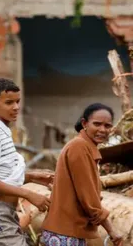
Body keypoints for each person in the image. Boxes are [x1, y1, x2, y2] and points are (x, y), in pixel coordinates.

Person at [0, 78, 55, 246]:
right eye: (9, 102)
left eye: (17, 101)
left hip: (4, 213)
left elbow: (4, 177)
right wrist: (29, 194)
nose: (16, 107)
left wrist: (32, 177)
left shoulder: (3, 131)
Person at [41, 103, 125, 246]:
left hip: (67, 231)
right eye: (97, 124)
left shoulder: (83, 147)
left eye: (107, 126)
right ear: (84, 123)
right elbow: (88, 197)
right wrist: (111, 230)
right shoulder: (79, 147)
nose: (102, 130)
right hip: (65, 233)